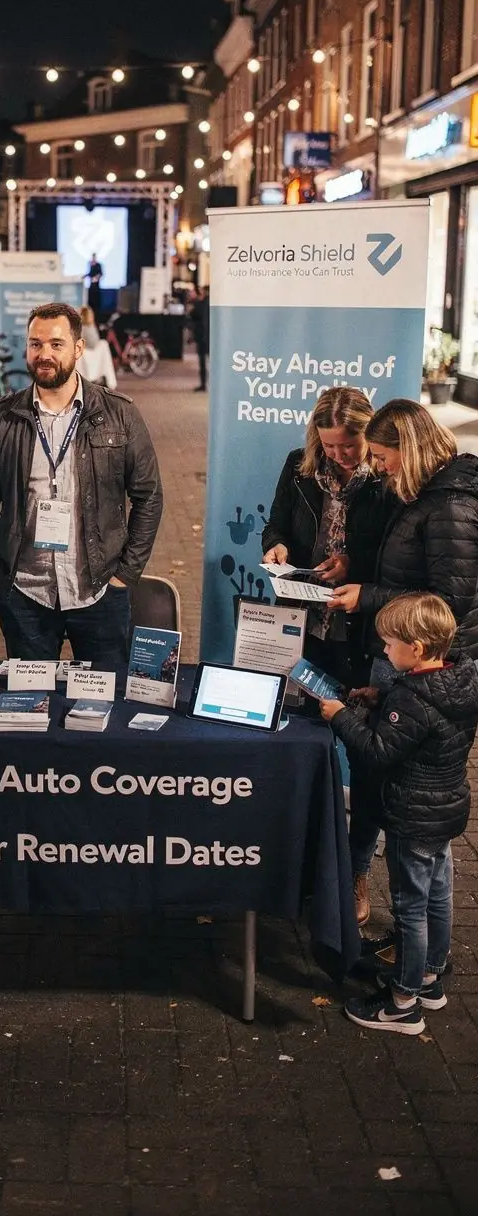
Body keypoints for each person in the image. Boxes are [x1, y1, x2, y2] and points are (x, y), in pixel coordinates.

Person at [262, 387, 395, 927]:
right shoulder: (300, 466)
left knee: (364, 757)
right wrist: (277, 547)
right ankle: (299, 856)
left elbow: (393, 556)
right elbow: (276, 523)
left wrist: (352, 564)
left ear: (368, 433)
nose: (340, 455)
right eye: (331, 445)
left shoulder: (386, 477)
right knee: (298, 739)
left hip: (360, 635)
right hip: (305, 627)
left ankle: (357, 870)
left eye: (349, 445)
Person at [0, 302, 163, 664]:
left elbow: (148, 496)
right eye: (36, 344)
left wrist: (125, 575)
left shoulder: (119, 414)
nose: (44, 354)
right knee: (31, 697)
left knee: (105, 695)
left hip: (100, 591)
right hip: (26, 595)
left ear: (78, 348)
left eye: (56, 344)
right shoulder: (2, 418)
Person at [320, 594, 478, 1035]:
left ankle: (402, 1003)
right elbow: (426, 718)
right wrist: (383, 697)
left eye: (390, 645)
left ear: (418, 648)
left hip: (412, 816)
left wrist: (341, 718)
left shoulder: (410, 699)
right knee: (438, 894)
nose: (385, 652)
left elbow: (376, 753)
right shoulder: (461, 679)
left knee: (410, 907)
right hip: (445, 809)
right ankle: (429, 979)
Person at [329, 400, 478, 671]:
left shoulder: (450, 507)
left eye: (382, 457)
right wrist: (353, 564)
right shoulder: (422, 491)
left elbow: (448, 603)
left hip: (430, 663)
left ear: (409, 449)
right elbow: (404, 560)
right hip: (406, 650)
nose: (380, 468)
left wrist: (367, 597)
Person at [77, 305, 117, 389]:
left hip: (87, 355)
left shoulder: (81, 328)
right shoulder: (90, 327)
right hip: (93, 354)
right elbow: (94, 342)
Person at [189, 286, 210, 392]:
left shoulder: (202, 304)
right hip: (209, 336)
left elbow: (193, 315)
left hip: (203, 336)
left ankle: (203, 384)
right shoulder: (211, 304)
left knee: (203, 362)